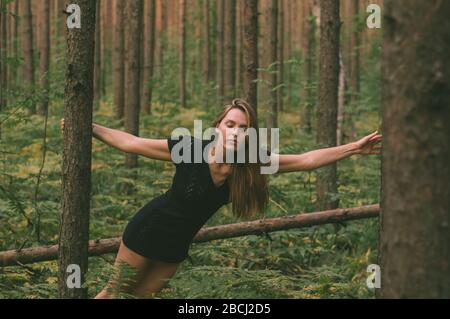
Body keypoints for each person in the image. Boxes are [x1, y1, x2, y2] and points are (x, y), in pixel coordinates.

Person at [60, 99, 382, 298]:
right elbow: (131, 142)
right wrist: (85, 126)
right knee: (114, 294)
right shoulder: (189, 149)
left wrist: (355, 147)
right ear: (217, 126)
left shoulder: (250, 164)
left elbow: (306, 160)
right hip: (148, 229)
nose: (236, 131)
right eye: (230, 124)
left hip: (175, 247)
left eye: (243, 128)